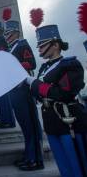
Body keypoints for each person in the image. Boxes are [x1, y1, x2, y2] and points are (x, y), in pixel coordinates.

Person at [26, 24, 87, 177]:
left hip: (68, 121)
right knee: (63, 165)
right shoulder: (43, 68)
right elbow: (41, 94)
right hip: (51, 122)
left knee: (76, 164)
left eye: (42, 45)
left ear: (55, 45)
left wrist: (36, 85)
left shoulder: (71, 65)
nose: (39, 49)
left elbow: (63, 93)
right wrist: (39, 87)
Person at [4, 20, 44, 170]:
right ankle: (29, 155)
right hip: (15, 89)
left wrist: (14, 66)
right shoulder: (12, 48)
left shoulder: (22, 45)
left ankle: (35, 160)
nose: (7, 36)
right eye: (6, 34)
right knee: (25, 127)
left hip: (23, 89)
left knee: (30, 125)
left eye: (9, 33)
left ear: (16, 32)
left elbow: (31, 63)